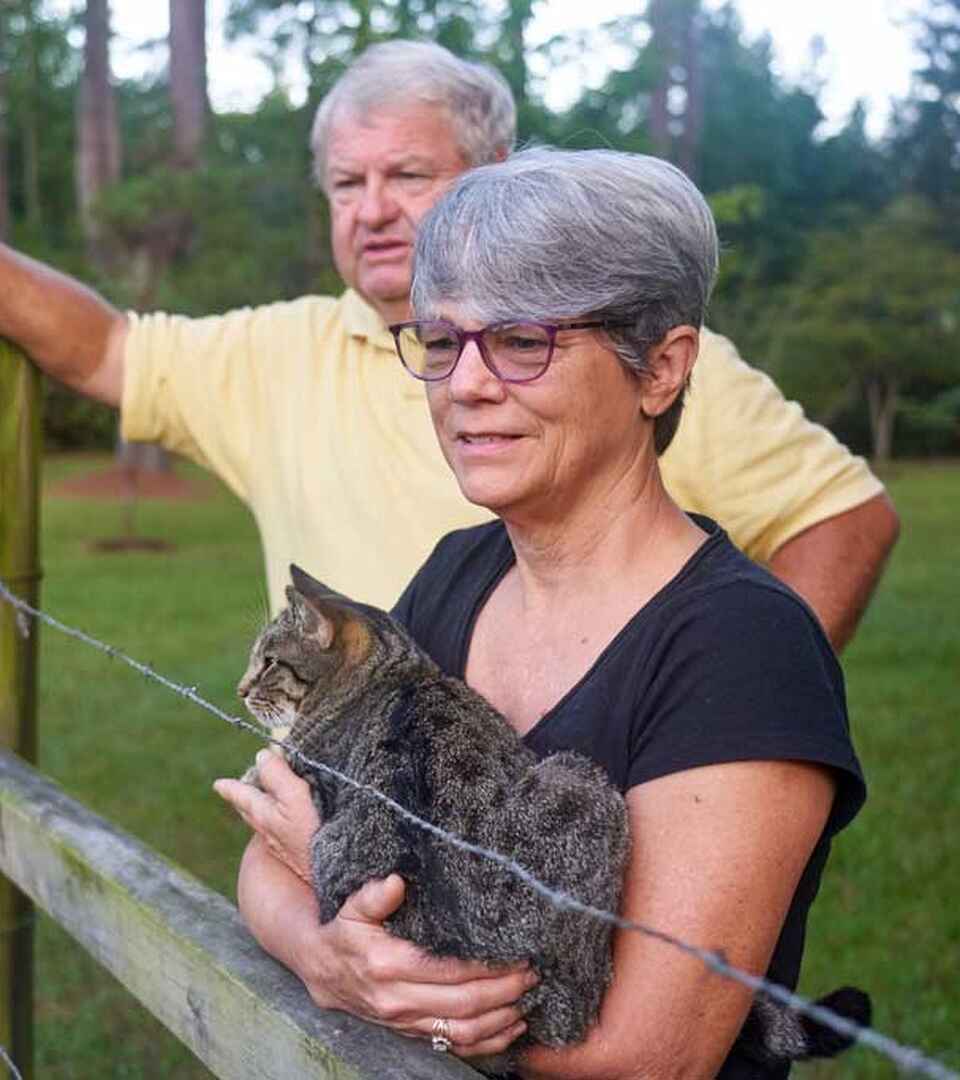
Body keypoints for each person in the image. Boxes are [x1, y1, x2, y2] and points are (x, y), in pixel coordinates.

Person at [215, 147, 866, 1078]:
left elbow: (646, 1057)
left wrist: (395, 982)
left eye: (525, 342)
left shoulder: (742, 647)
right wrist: (331, 959)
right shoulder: (456, 573)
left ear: (661, 369)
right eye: (441, 341)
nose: (467, 385)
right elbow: (267, 841)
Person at [0, 41, 896, 652]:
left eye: (409, 175)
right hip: (340, 853)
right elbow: (102, 349)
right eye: (347, 183)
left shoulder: (612, 360)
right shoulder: (278, 354)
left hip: (554, 855)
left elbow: (845, 519)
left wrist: (726, 726)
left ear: (494, 173)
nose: (374, 209)